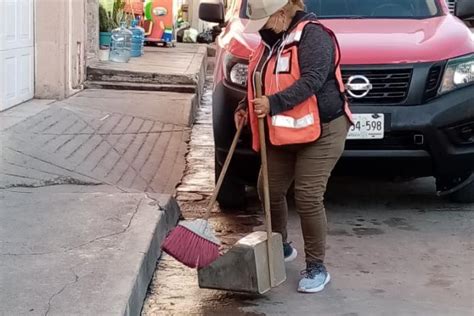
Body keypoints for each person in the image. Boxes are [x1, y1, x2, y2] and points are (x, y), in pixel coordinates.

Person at [234, 0, 352, 293]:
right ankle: (281, 245)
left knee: (308, 195)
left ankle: (316, 267)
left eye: (265, 18)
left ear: (283, 11)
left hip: (323, 128)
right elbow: (258, 79)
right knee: (268, 188)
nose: (261, 26)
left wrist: (272, 104)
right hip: (285, 129)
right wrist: (243, 108)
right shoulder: (269, 42)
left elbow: (312, 80)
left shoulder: (314, 36)